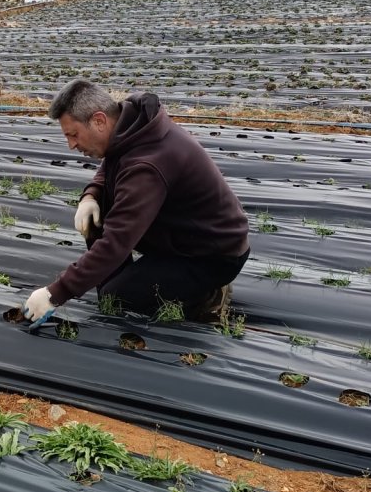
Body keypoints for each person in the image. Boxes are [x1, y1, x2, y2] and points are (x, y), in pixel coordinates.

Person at [22, 79, 249, 324]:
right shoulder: (131, 126)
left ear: (99, 121)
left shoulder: (147, 165)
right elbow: (111, 162)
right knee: (95, 217)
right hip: (182, 236)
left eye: (74, 134)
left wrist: (54, 294)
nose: (71, 145)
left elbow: (117, 241)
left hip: (211, 254)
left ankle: (209, 296)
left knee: (117, 299)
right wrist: (91, 196)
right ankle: (133, 281)